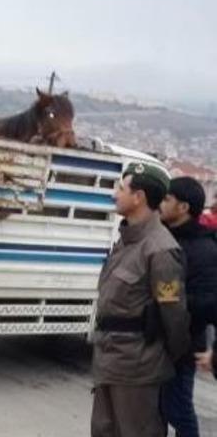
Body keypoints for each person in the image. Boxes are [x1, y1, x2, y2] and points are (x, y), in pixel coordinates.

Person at [91, 162, 190, 437]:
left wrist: (163, 357)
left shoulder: (160, 250)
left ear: (139, 197)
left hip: (137, 368)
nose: (114, 194)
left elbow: (174, 316)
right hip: (109, 360)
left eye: (121, 188)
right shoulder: (126, 241)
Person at [159, 177, 217, 437]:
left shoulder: (203, 250)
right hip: (153, 341)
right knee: (156, 409)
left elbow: (207, 303)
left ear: (183, 207)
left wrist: (168, 299)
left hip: (181, 347)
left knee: (178, 410)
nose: (161, 204)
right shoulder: (162, 238)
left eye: (167, 199)